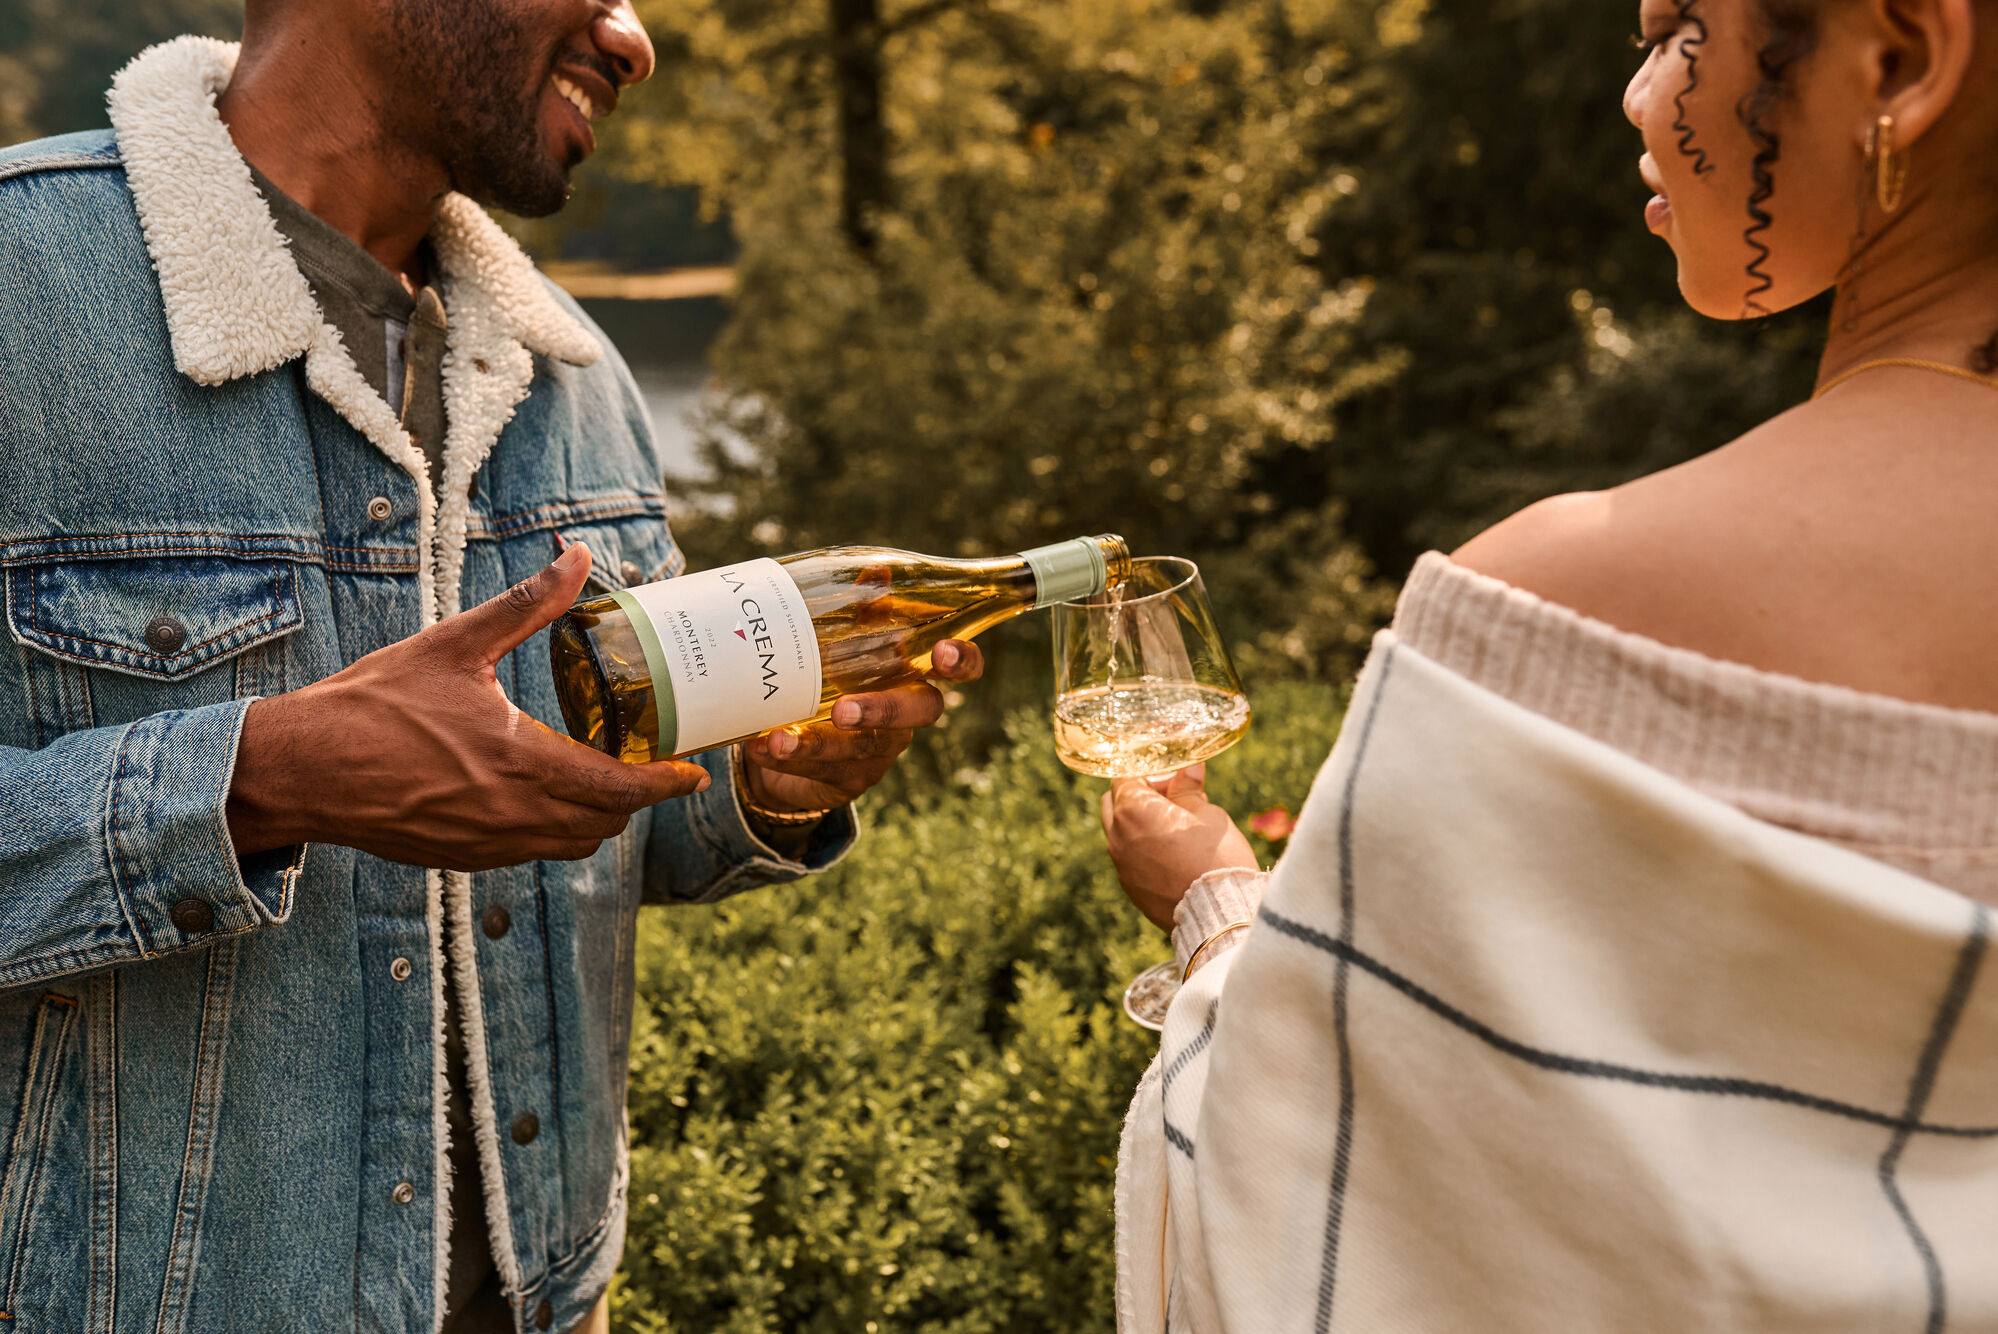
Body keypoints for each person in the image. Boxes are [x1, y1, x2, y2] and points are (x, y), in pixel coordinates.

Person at [0, 3, 982, 1331]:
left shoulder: (574, 381)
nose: (633, 40)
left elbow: (597, 819)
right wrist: (252, 782)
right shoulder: (19, 291)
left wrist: (763, 787)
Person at [1103, 0, 1998, 1328]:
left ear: (1901, 59)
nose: (1637, 98)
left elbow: (1295, 1240)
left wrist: (1219, 915)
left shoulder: (1562, 610)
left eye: (1678, 26)